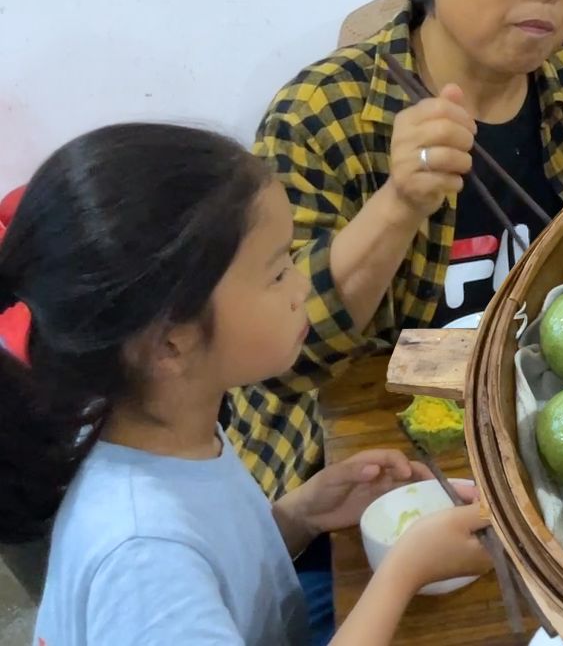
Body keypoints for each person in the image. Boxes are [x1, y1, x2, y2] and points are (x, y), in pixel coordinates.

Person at [228, 0, 563, 497]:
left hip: (545, 421)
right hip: (360, 461)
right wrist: (399, 203)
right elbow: (280, 354)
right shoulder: (321, 113)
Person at [1, 124, 493, 645]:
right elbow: (175, 572)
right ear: (171, 343)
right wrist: (403, 572)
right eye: (279, 272)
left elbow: (216, 569)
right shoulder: (142, 557)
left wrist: (299, 516)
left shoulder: (169, 429)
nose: (303, 285)